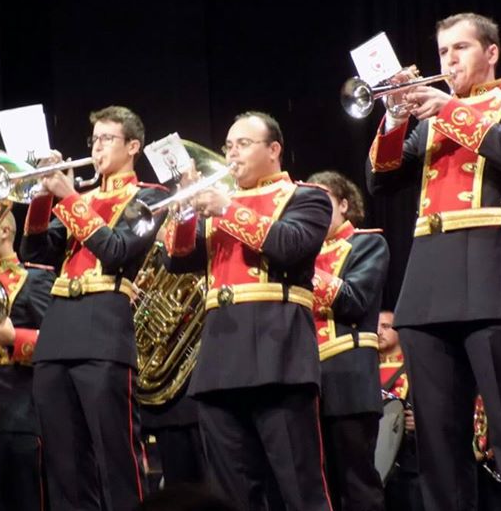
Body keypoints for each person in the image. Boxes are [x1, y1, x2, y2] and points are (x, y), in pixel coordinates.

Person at [365, 12, 501, 511]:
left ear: (491, 53)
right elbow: (381, 179)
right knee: (438, 448)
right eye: (443, 52)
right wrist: (393, 115)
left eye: (461, 49)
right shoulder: (429, 122)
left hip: (493, 278)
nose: (449, 60)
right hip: (428, 285)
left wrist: (447, 110)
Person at [163, 111, 334, 511]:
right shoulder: (216, 203)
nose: (231, 154)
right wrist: (185, 207)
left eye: (243, 144)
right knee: (231, 494)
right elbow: (177, 259)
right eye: (228, 146)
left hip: (279, 354)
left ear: (274, 150)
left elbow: (291, 245)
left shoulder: (305, 197)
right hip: (220, 359)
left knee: (299, 489)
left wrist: (227, 208)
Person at [20, 105, 168, 511]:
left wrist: (68, 198)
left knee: (116, 456)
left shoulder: (150, 198)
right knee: (64, 463)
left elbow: (117, 250)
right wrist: (42, 195)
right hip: (59, 328)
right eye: (95, 140)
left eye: (107, 139)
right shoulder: (79, 199)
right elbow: (34, 252)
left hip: (104, 324)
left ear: (133, 146)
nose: (97, 147)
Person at [307, 170, 388, 511]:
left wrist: (299, 267)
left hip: (347, 375)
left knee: (358, 485)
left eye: (322, 201)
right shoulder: (300, 250)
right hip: (304, 377)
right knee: (315, 485)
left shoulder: (368, 243)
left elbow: (354, 300)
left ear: (344, 204)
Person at [0, 211, 55, 511]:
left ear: (5, 231)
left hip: (20, 415)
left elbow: (59, 344)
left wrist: (14, 339)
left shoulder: (36, 278)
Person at [377, 310, 424, 511]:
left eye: (386, 327)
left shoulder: (417, 369)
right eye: (376, 327)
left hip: (410, 463)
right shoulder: (363, 369)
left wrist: (422, 421)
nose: (378, 332)